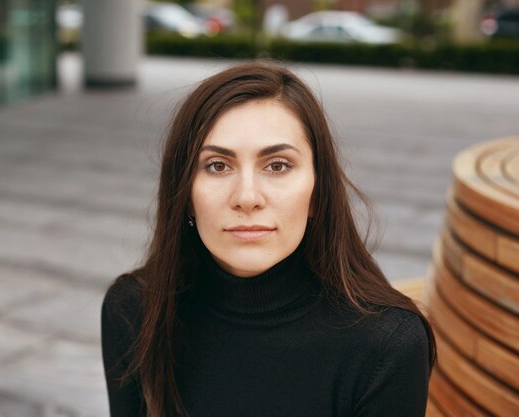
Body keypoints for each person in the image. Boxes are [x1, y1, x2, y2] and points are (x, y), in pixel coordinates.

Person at [101, 62, 436, 417]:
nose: (247, 197)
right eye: (217, 165)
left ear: (318, 193)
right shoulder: (133, 310)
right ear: (184, 194)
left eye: (277, 165)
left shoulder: (384, 346)